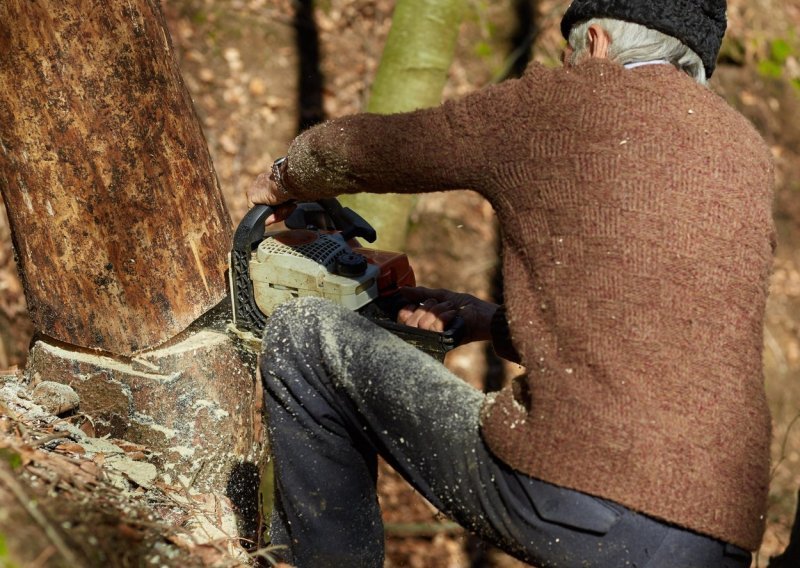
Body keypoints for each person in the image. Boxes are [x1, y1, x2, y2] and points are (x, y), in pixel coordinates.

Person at [247, 0, 775, 566]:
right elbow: (656, 330)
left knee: (303, 338)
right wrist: (485, 320)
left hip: (581, 498)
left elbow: (380, 150)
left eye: (568, 52)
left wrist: (286, 176)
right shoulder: (746, 151)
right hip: (718, 538)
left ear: (595, 42)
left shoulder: (562, 105)